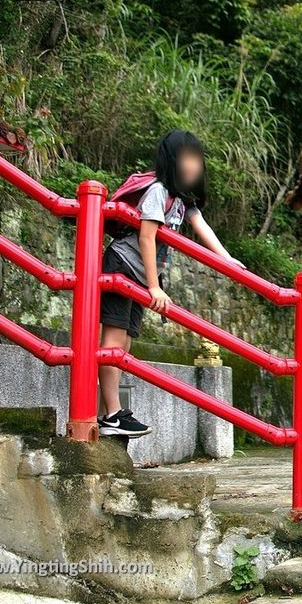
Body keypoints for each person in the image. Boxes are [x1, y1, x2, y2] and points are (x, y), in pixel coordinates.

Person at [98, 130, 243, 437]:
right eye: (186, 157)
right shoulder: (158, 191)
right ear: (171, 159)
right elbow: (147, 237)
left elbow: (201, 225)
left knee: (124, 344)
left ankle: (113, 412)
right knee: (113, 342)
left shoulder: (182, 199)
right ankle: (111, 415)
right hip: (123, 266)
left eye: (196, 158)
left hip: (138, 274)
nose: (192, 164)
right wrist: (154, 286)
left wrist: (227, 260)